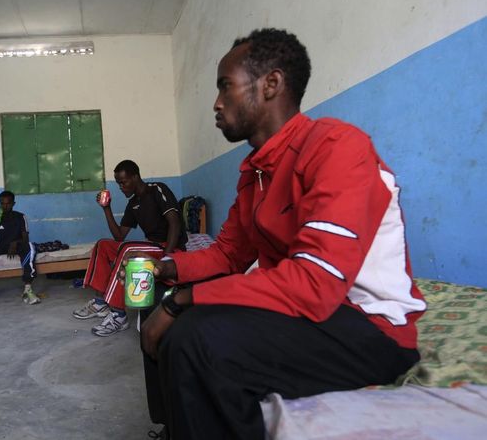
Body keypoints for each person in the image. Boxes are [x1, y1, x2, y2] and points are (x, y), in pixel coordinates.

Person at [132, 28, 427, 439]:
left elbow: (314, 284)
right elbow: (228, 255)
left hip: (366, 327)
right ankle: (177, 425)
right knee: (152, 300)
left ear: (271, 84)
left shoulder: (336, 147)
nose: (216, 104)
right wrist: (167, 269)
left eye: (225, 87)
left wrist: (185, 300)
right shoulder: (256, 174)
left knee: (196, 338)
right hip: (303, 314)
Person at [74, 160, 187, 337]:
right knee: (103, 245)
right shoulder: (133, 203)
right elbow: (119, 236)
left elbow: (174, 222)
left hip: (168, 246)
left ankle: (119, 316)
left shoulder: (157, 189)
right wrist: (107, 209)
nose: (120, 186)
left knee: (128, 250)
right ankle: (99, 302)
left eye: (123, 182)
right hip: (152, 245)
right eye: (118, 183)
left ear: (135, 177)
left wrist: (167, 257)